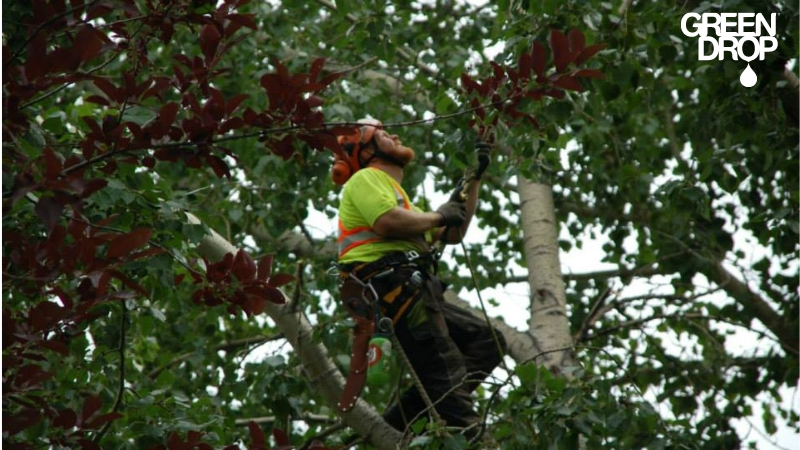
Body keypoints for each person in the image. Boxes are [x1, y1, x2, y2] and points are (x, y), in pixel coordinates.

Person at [332, 118, 507, 438]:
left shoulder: (397, 195)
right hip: (394, 289)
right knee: (446, 368)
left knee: (488, 342)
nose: (395, 135)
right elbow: (386, 222)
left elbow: (451, 232)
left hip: (410, 290)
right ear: (366, 149)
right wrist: (439, 215)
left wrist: (474, 179)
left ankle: (397, 425)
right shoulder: (365, 179)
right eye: (385, 134)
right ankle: (465, 432)